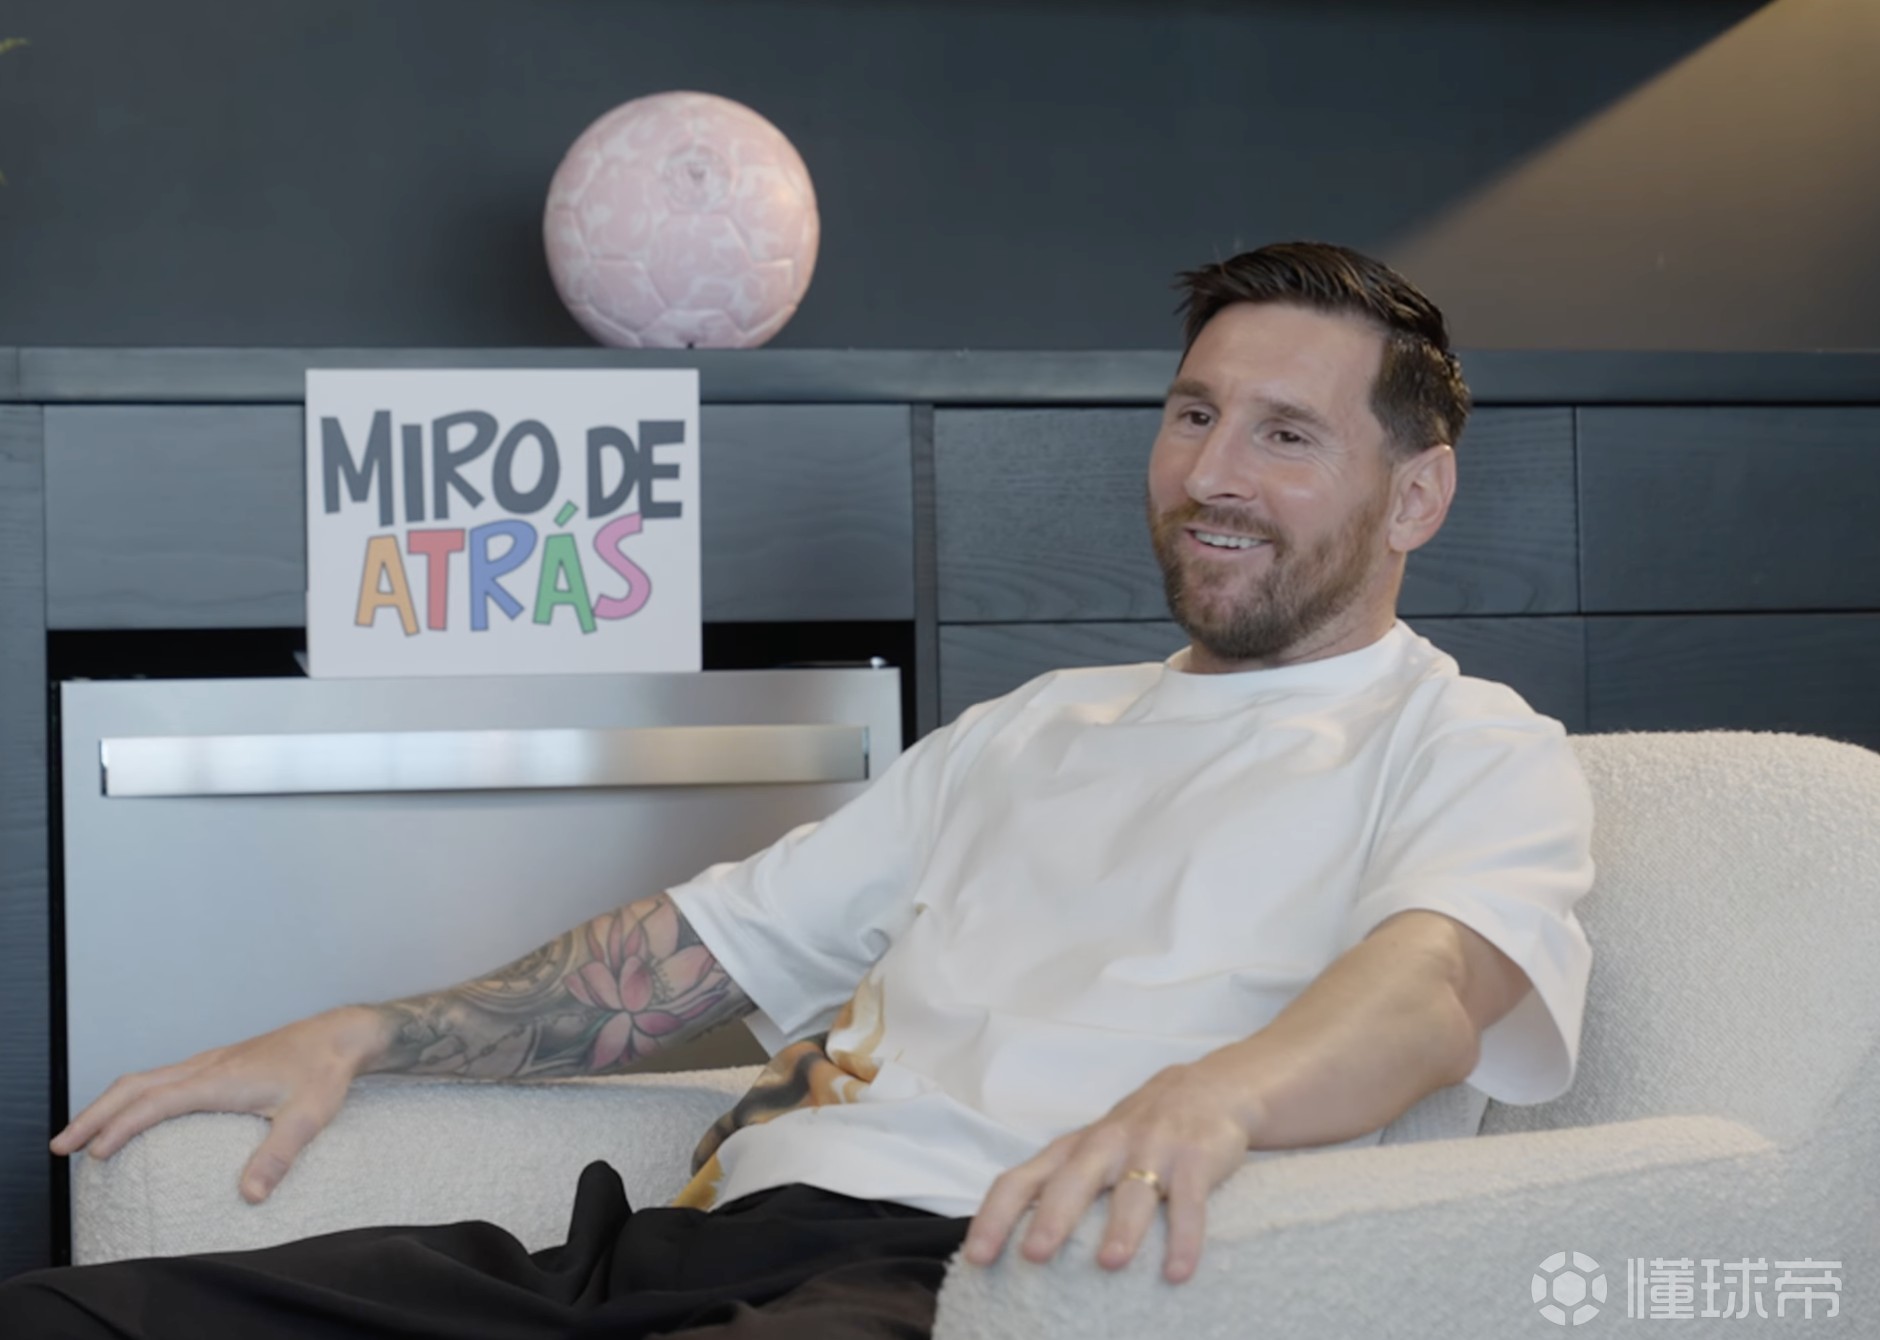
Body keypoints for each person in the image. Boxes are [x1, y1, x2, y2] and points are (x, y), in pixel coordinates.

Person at [1, 241, 1594, 1339]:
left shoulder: (1462, 741)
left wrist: (1217, 1097)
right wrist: (365, 1030)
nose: (1212, 473)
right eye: (1193, 414)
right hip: (689, 1247)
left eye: (1286, 435)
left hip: (982, 1280)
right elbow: (692, 961)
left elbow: (1430, 991)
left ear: (1418, 495)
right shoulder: (1032, 730)